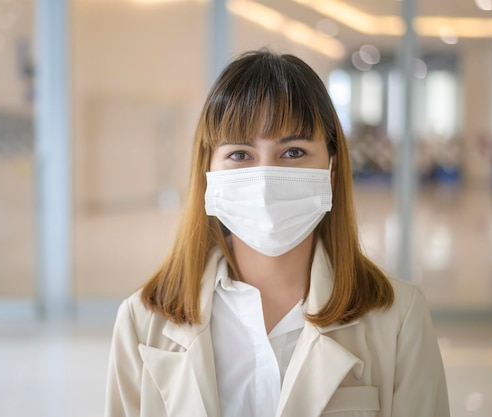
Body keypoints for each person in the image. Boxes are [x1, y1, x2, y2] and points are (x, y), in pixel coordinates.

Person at [105, 50, 450, 417]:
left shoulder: (397, 318)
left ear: (331, 169)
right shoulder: (142, 321)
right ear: (208, 172)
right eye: (240, 155)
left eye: (293, 152)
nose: (266, 179)